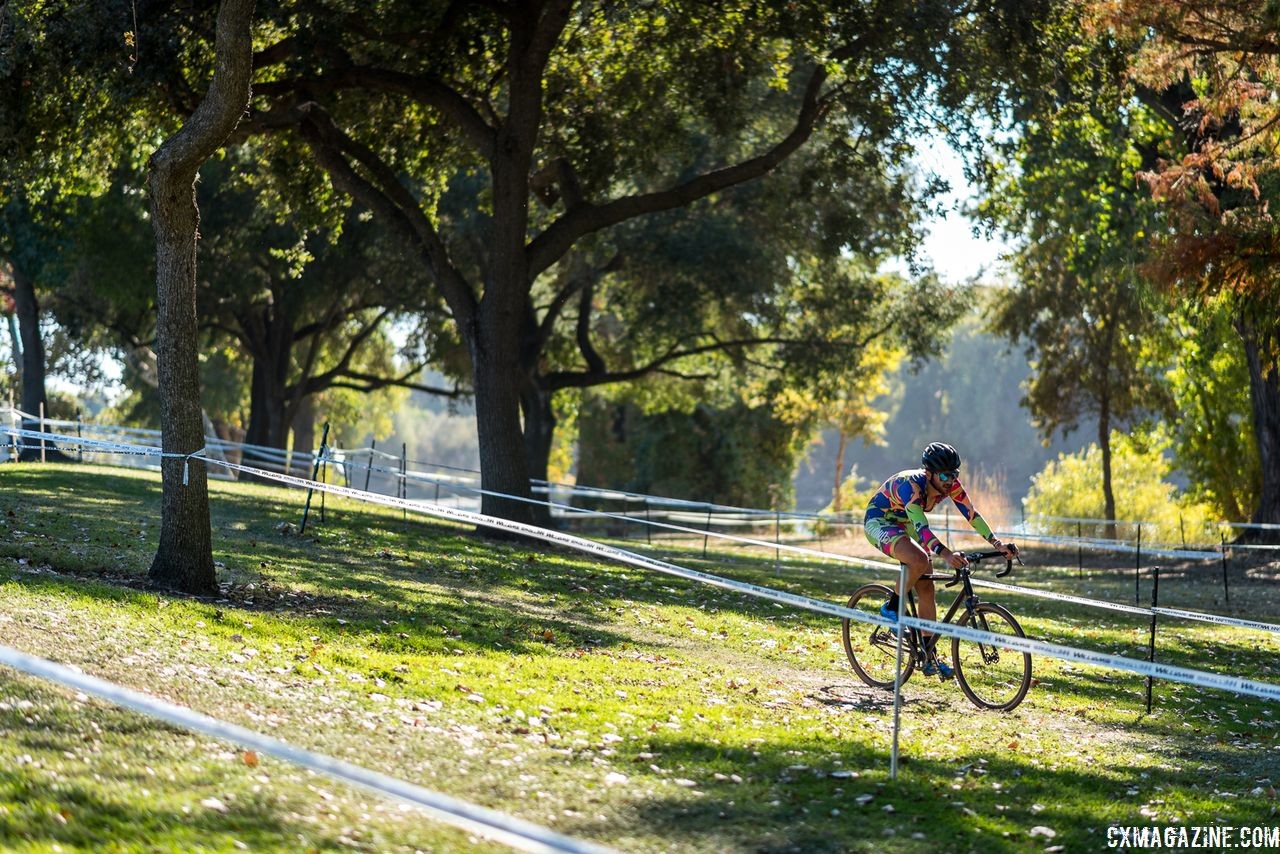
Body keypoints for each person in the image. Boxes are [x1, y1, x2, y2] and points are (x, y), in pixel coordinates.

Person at [863, 442, 1017, 679]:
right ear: (929, 473)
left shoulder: (951, 485)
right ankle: (891, 607)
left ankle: (928, 656)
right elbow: (922, 529)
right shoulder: (911, 487)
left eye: (954, 473)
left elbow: (972, 515)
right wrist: (946, 554)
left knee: (927, 589)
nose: (950, 480)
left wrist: (998, 545)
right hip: (881, 521)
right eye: (945, 475)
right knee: (919, 559)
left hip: (906, 523)